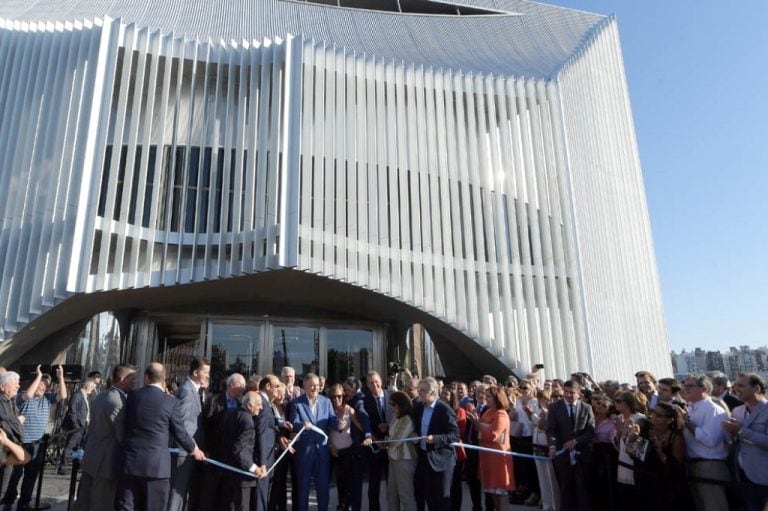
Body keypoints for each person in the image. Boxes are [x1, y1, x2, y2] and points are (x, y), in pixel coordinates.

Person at [116, 363, 204, 511]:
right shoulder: (171, 402)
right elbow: (180, 432)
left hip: (130, 463)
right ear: (164, 380)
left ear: (146, 378)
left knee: (127, 507)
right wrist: (194, 449)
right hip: (157, 468)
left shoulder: (132, 397)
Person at [2, 365, 66, 511]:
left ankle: (23, 504)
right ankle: (8, 502)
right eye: (42, 384)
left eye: (47, 385)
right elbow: (29, 395)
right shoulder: (23, 396)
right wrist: (39, 376)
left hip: (38, 444)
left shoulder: (48, 399)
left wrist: (61, 378)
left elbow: (63, 396)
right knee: (14, 476)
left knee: (31, 477)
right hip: (21, 444)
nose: (44, 387)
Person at [75, 364, 136, 511]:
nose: (135, 382)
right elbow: (121, 436)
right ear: (122, 379)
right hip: (105, 463)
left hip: (91, 457)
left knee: (84, 502)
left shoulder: (102, 395)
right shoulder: (118, 402)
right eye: (132, 379)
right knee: (102, 503)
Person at [681, 373, 729, 511]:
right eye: (685, 385)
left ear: (704, 389)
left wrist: (687, 422)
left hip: (709, 466)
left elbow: (710, 440)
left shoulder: (713, 409)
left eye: (690, 386)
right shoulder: (690, 408)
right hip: (692, 465)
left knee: (714, 506)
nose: (686, 388)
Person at [722, 373, 768, 511]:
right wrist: (730, 434)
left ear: (756, 389)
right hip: (743, 475)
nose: (736, 389)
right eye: (735, 385)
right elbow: (734, 440)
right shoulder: (737, 411)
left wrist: (741, 431)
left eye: (741, 385)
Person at [169, 357, 210, 511]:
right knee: (177, 495)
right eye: (205, 372)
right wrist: (193, 448)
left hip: (189, 453)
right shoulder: (186, 391)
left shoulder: (195, 390)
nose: (208, 376)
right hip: (184, 453)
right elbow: (183, 426)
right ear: (195, 372)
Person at [546, 381, 594, 511]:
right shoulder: (555, 408)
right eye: (565, 391)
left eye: (571, 392)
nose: (567, 395)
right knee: (566, 489)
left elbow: (590, 431)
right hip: (563, 456)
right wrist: (552, 446)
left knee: (583, 490)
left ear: (578, 394)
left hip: (582, 455)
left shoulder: (586, 408)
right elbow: (551, 430)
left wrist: (576, 441)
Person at [200, 372, 246, 511]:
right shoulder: (213, 401)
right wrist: (205, 449)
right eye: (241, 385)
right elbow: (205, 426)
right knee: (211, 496)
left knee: (228, 499)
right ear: (232, 385)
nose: (244, 388)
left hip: (232, 459)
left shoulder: (241, 403)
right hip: (214, 456)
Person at [288, 373, 333, 511]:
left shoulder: (326, 401)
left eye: (318, 385)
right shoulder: (296, 403)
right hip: (304, 452)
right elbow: (294, 422)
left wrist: (340, 423)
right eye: (312, 385)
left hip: (322, 452)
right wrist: (302, 424)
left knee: (323, 488)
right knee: (303, 489)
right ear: (305, 385)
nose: (315, 388)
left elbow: (332, 419)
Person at [413, 377, 459, 511]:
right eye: (418, 389)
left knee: (442, 500)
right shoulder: (419, 407)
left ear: (432, 392)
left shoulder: (444, 409)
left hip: (442, 461)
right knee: (429, 497)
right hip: (424, 458)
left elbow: (454, 435)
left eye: (422, 390)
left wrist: (436, 439)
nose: (419, 392)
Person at [468, 385, 515, 511]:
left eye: (488, 396)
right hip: (486, 457)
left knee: (501, 493)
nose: (485, 398)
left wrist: (479, 425)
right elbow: (480, 432)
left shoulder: (501, 414)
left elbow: (494, 435)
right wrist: (480, 425)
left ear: (496, 398)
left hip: (498, 459)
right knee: (492, 492)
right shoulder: (488, 411)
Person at [221, 391, 268, 511]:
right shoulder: (247, 421)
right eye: (258, 404)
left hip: (228, 471)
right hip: (242, 475)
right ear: (249, 405)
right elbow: (239, 450)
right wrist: (254, 468)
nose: (261, 407)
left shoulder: (231, 413)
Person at [645, 401, 693, 511]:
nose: (654, 417)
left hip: (670, 486)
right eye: (653, 412)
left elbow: (675, 467)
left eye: (659, 415)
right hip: (650, 481)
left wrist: (658, 449)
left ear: (670, 420)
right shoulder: (647, 431)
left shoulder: (675, 438)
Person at [611, 390, 648, 511]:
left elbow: (640, 448)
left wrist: (626, 433)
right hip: (622, 463)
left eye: (619, 401)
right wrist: (618, 430)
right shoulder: (619, 418)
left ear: (628, 403)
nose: (615, 403)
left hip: (635, 467)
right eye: (615, 400)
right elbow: (618, 445)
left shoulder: (640, 419)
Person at [363, 370, 394, 511]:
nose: (374, 384)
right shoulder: (364, 399)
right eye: (371, 382)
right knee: (374, 483)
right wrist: (375, 435)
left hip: (391, 446)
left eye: (376, 381)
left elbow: (398, 417)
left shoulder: (391, 396)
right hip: (375, 446)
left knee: (392, 483)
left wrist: (388, 426)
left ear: (381, 381)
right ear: (367, 385)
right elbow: (365, 421)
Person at [57, 378, 96, 474]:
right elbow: (72, 411)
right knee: (70, 446)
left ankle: (78, 464)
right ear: (87, 386)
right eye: (92, 387)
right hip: (77, 426)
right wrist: (75, 425)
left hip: (83, 425)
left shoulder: (85, 397)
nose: (93, 389)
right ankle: (62, 467)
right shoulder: (77, 395)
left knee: (79, 446)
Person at [439, 388, 467, 511]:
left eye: (447, 393)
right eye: (443, 393)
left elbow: (459, 431)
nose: (444, 395)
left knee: (455, 483)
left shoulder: (459, 411)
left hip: (456, 452)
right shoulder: (438, 410)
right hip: (442, 450)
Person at [589, 392, 616, 511]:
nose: (599, 406)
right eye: (599, 403)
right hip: (590, 453)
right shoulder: (589, 418)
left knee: (604, 484)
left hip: (605, 456)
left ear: (609, 409)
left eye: (604, 406)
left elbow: (613, 441)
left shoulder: (611, 423)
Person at [533, 389, 560, 511]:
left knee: (551, 477)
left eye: (545, 398)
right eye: (540, 398)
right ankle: (546, 504)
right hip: (537, 443)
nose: (543, 400)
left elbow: (542, 426)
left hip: (548, 445)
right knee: (542, 476)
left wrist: (545, 414)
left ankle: (555, 506)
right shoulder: (537, 409)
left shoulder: (553, 411)